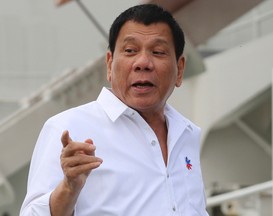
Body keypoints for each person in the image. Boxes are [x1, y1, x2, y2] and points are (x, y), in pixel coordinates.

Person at [20, 4, 209, 216]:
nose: (143, 62)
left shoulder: (187, 133)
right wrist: (68, 187)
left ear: (180, 69)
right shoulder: (68, 128)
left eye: (158, 52)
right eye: (130, 51)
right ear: (110, 64)